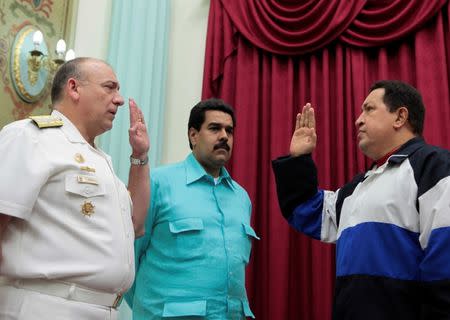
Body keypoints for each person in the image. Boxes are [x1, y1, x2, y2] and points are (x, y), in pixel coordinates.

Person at [272, 80, 450, 319]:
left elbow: (445, 260)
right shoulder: (356, 187)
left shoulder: (434, 167)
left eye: (369, 109)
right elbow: (306, 210)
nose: (358, 119)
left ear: (400, 117)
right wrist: (299, 159)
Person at [0, 57, 150, 320]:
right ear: (74, 88)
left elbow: (135, 224)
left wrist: (140, 155)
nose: (120, 99)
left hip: (103, 310)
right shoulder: (31, 137)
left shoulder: (100, 160)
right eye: (109, 87)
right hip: (46, 306)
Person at [127, 98, 259, 319]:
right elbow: (127, 259)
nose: (224, 136)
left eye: (230, 130)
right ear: (193, 135)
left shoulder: (241, 197)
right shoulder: (157, 183)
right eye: (215, 128)